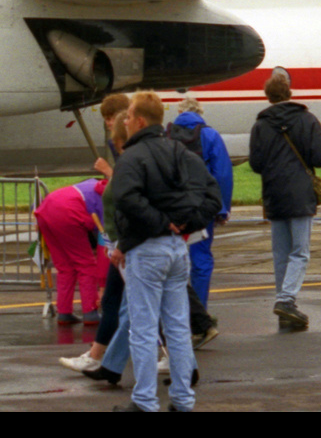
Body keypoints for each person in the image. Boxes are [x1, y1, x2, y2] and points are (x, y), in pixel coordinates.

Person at [107, 91, 220, 412]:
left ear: (139, 121)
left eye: (128, 116)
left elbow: (126, 198)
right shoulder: (180, 152)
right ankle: (183, 400)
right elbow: (212, 193)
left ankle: (144, 401)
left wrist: (158, 222)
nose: (125, 121)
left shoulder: (132, 156)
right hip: (176, 251)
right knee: (178, 328)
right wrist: (185, 224)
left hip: (147, 249)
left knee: (142, 330)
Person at [249, 69, 321, 330]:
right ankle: (286, 299)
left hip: (274, 192)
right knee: (300, 251)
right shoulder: (308, 120)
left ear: (268, 95)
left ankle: (284, 305)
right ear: (290, 91)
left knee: (281, 252)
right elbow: (320, 159)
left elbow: (256, 164)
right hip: (301, 191)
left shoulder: (260, 124)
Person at [60, 93, 130, 372]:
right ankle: (103, 360)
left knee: (130, 305)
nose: (109, 125)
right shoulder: (126, 149)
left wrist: (110, 173)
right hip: (126, 239)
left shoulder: (130, 153)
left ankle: (102, 359)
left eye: (110, 119)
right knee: (120, 303)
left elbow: (132, 191)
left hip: (130, 241)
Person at [167, 96, 232, 344]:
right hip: (201, 209)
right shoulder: (210, 135)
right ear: (200, 113)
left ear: (180, 112)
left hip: (173, 209)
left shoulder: (168, 134)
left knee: (173, 263)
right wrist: (221, 208)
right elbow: (222, 174)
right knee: (201, 260)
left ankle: (178, 318)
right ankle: (199, 317)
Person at [35, 178, 109, 324]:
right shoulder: (108, 203)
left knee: (65, 267)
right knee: (86, 265)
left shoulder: (93, 183)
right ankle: (90, 311)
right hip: (68, 212)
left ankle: (64, 312)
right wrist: (103, 284)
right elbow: (103, 247)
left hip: (46, 209)